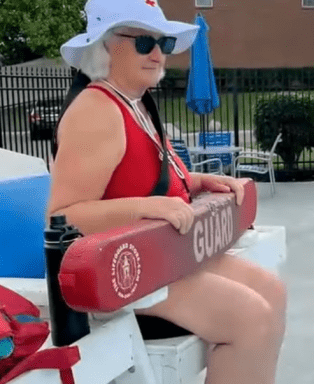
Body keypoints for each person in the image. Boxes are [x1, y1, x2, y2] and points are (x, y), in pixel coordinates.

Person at [48, 0, 286, 382]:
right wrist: (146, 206)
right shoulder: (96, 109)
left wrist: (194, 181)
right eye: (144, 43)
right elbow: (63, 215)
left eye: (164, 42)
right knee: (249, 319)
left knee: (270, 290)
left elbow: (141, 175)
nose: (159, 53)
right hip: (121, 272)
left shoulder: (134, 103)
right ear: (105, 46)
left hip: (163, 256)